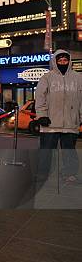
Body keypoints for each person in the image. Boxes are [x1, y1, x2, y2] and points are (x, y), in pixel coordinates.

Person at [35, 49, 82, 184]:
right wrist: (42, 115)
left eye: (65, 60)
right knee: (46, 151)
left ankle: (69, 174)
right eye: (60, 60)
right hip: (50, 122)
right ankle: (42, 174)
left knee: (69, 152)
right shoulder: (47, 77)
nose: (63, 62)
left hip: (70, 122)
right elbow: (40, 97)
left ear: (69, 61)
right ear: (55, 61)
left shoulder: (78, 78)